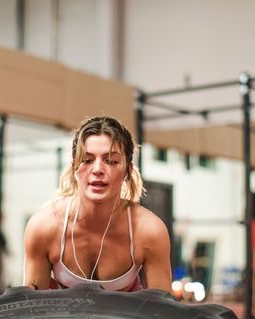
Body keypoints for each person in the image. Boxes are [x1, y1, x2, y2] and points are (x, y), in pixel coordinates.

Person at [23, 116, 171, 292]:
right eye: (87, 159)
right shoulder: (44, 226)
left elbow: (162, 313)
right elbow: (32, 311)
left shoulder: (149, 231)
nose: (98, 170)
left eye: (111, 161)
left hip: (124, 318)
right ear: (74, 167)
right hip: (62, 317)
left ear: (128, 172)